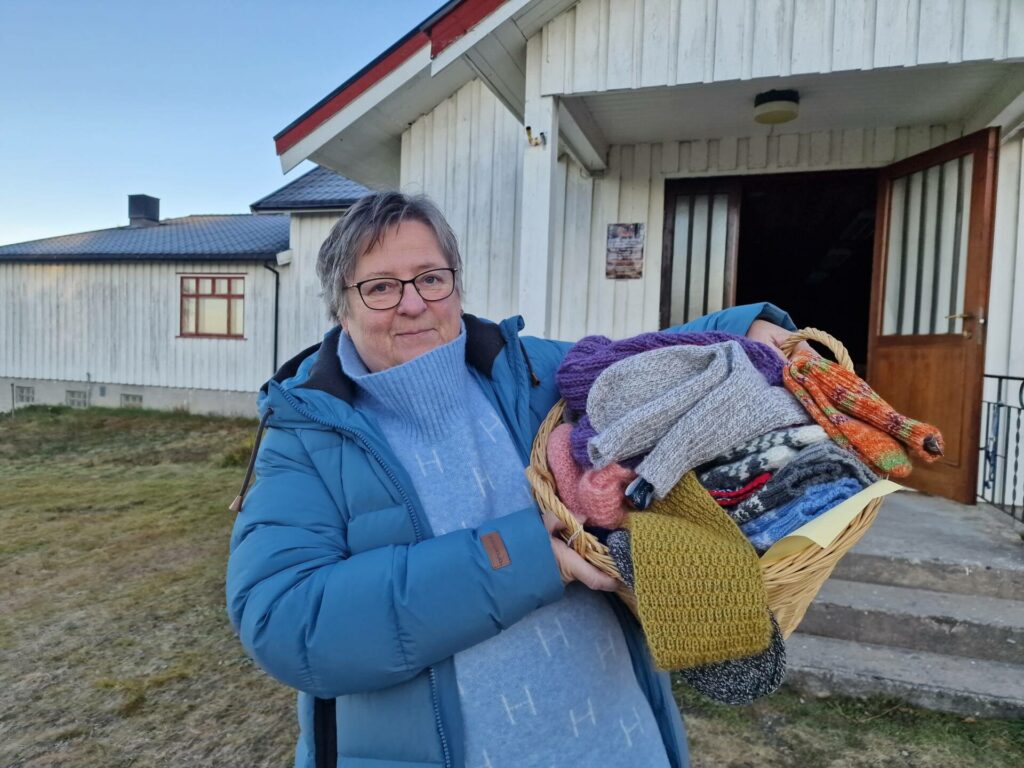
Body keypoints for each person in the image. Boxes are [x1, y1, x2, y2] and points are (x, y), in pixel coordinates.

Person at [226, 191, 800, 768]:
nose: (413, 304)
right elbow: (287, 621)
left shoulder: (528, 370)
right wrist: (521, 558)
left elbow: (645, 361)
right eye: (379, 287)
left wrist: (741, 328)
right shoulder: (307, 435)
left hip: (622, 742)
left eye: (430, 277)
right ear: (340, 307)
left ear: (456, 283)